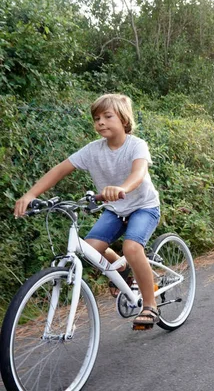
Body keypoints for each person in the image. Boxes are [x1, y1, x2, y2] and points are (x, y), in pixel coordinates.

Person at [14, 94, 162, 330]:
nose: (100, 122)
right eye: (96, 118)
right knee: (90, 249)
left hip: (143, 207)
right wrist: (31, 194)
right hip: (114, 209)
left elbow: (138, 173)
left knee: (132, 247)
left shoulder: (136, 145)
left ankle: (150, 304)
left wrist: (122, 188)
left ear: (124, 119)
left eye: (107, 116)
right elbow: (60, 170)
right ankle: (120, 267)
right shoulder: (93, 150)